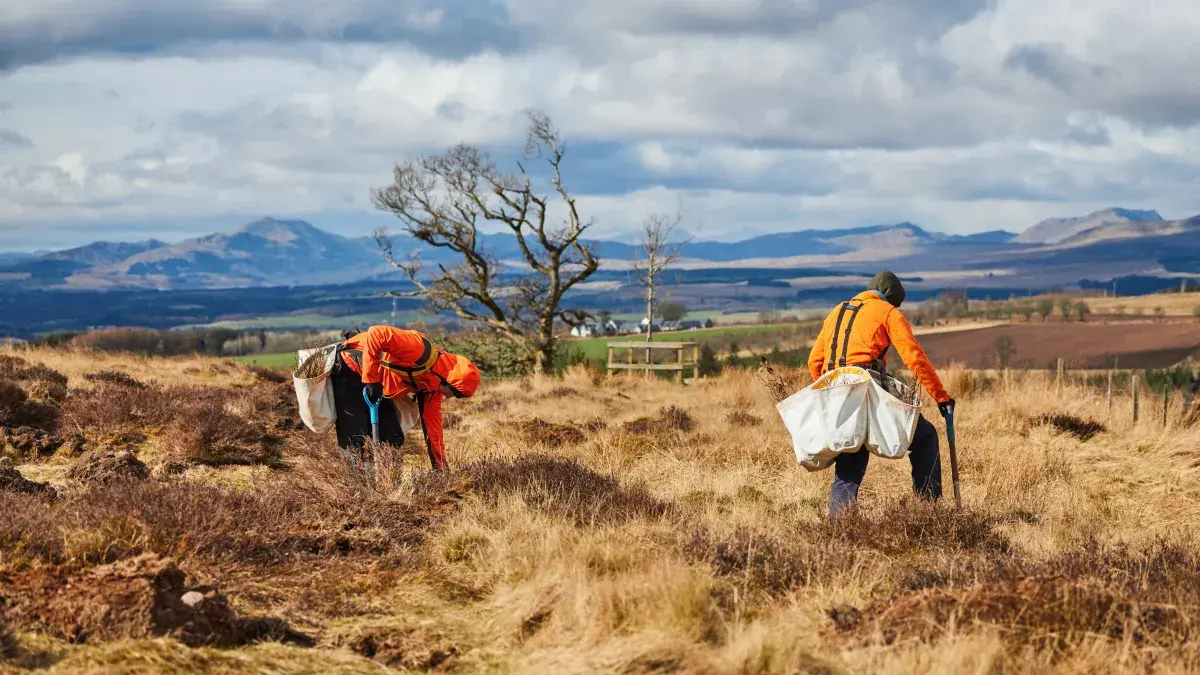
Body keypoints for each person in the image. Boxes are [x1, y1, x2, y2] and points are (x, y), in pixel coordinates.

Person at [807, 270, 955, 518]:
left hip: (832, 389)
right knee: (926, 437)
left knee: (851, 453)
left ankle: (837, 529)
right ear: (890, 298)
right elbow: (914, 358)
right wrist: (941, 397)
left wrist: (829, 398)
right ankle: (929, 514)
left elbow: (814, 361)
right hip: (864, 388)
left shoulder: (837, 311)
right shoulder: (888, 312)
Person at [330, 326, 480, 471]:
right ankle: (354, 489)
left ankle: (386, 486)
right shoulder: (419, 349)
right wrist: (371, 380)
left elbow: (433, 429)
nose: (449, 397)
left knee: (392, 438)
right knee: (355, 437)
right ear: (447, 380)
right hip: (351, 365)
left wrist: (439, 468)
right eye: (454, 393)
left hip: (376, 384)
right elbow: (377, 333)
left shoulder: (431, 388)